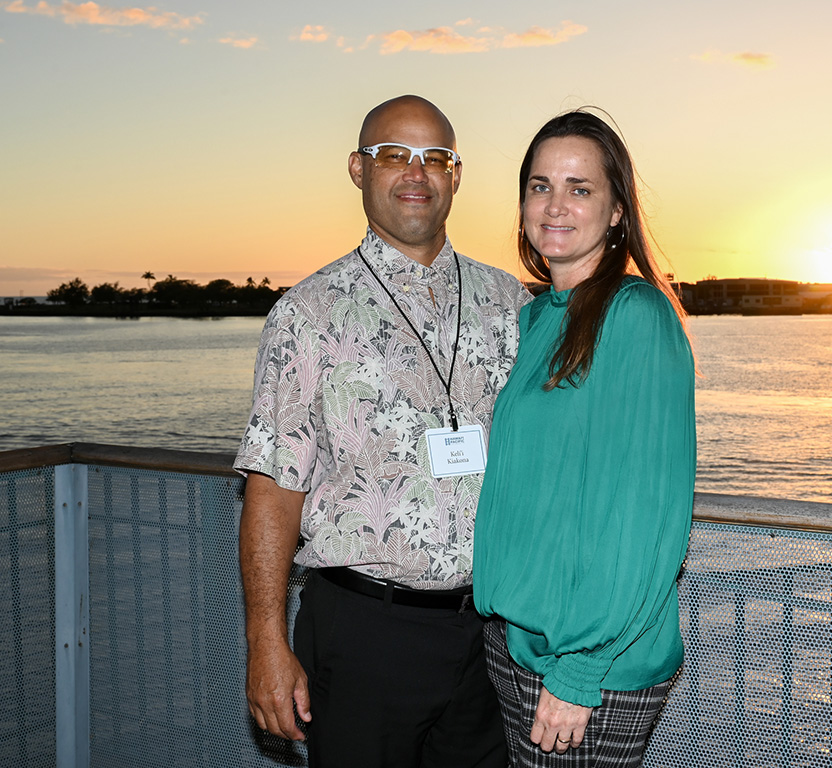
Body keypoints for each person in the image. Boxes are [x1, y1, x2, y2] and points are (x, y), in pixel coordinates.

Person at [235, 95, 529, 768]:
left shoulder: (509, 303)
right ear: (358, 170)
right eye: (394, 155)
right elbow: (274, 488)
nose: (415, 174)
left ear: (456, 176)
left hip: (491, 637)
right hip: (366, 634)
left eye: (435, 159)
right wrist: (265, 641)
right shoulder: (308, 314)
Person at [473, 110, 697, 767]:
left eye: (580, 188)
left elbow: (646, 514)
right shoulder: (536, 317)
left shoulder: (635, 316)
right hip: (520, 641)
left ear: (618, 210)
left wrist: (580, 669)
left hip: (586, 665)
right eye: (540, 186)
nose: (555, 205)